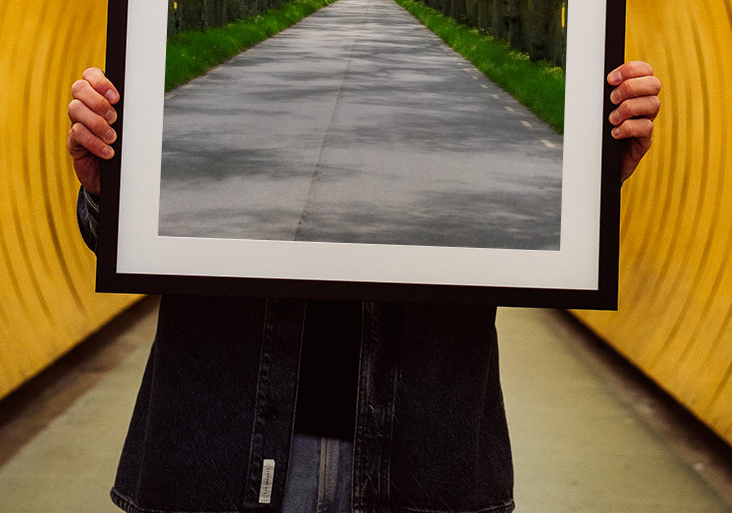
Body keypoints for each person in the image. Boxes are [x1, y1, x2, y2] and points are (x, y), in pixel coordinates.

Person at [68, 61, 661, 513]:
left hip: (424, 457)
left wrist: (586, 184)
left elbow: (527, 231)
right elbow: (125, 239)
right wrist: (109, 190)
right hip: (217, 450)